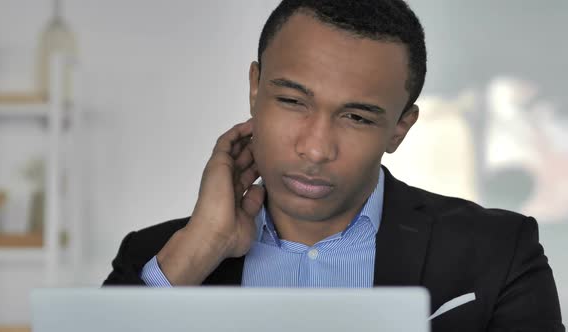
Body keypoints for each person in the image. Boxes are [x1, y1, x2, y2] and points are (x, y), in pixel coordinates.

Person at [103, 0, 564, 331]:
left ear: (400, 129)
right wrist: (198, 251)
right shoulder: (157, 258)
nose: (316, 149)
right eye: (291, 101)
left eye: (356, 117)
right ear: (254, 88)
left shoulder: (498, 252)